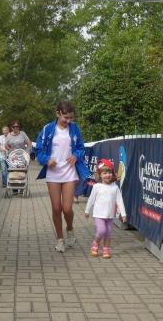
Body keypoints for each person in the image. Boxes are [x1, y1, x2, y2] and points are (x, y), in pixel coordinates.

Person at [35, 101, 91, 253]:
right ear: (57, 113)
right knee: (56, 208)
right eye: (66, 117)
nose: (69, 121)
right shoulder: (47, 129)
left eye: (71, 118)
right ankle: (60, 239)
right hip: (53, 173)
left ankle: (70, 229)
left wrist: (76, 155)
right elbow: (38, 150)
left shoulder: (74, 128)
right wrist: (46, 160)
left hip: (69, 172)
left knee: (67, 209)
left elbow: (81, 147)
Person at [84, 159, 127, 259]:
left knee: (108, 233)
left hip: (110, 215)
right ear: (100, 175)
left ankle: (106, 249)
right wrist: (87, 211)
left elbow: (119, 201)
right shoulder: (97, 186)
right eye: (104, 173)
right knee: (101, 230)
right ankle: (96, 243)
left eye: (109, 172)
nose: (107, 175)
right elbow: (91, 199)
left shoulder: (115, 187)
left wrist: (123, 214)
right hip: (99, 214)